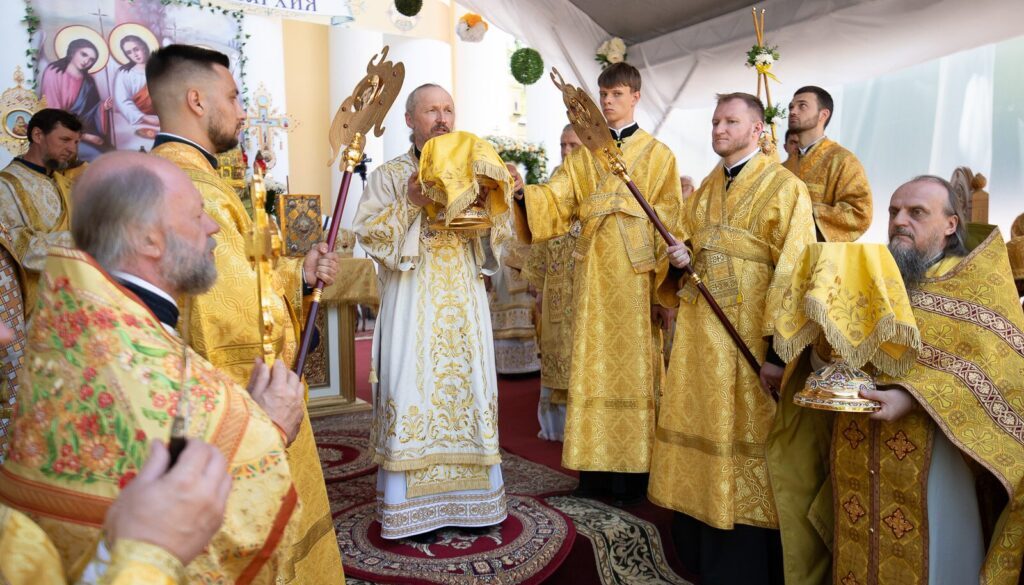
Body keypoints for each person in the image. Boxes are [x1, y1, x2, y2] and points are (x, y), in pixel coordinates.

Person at [0, 151, 308, 583]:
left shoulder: (76, 332)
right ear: (148, 239)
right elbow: (220, 532)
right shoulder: (147, 368)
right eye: (197, 214)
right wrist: (269, 430)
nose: (212, 226)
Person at [145, 45, 344, 581]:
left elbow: (250, 277)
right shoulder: (190, 188)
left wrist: (299, 276)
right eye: (233, 97)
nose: (241, 110)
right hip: (239, 408)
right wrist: (290, 331)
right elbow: (235, 320)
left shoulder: (185, 176)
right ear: (196, 101)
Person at [648, 92, 815, 585]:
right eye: (715, 121)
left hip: (749, 348)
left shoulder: (786, 188)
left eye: (731, 121)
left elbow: (795, 272)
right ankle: (698, 546)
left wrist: (777, 354)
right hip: (701, 342)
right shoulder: (704, 190)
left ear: (758, 130)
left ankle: (746, 566)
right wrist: (680, 259)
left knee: (750, 441)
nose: (719, 129)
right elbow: (685, 252)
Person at [510, 63, 683, 505]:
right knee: (592, 370)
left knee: (635, 374)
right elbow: (557, 198)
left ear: (636, 97)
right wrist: (523, 193)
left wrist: (663, 292)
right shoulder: (583, 156)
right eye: (603, 94)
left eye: (617, 93)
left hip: (635, 278)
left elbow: (669, 221)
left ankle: (635, 476)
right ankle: (593, 474)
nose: (607, 101)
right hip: (591, 280)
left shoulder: (659, 155)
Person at [353, 83, 510, 539]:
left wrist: (498, 198)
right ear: (410, 120)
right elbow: (369, 234)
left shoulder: (473, 168)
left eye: (448, 110)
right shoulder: (390, 175)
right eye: (431, 111)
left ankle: (473, 505)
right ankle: (412, 511)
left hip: (463, 303)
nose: (442, 119)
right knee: (412, 390)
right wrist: (411, 202)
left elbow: (495, 237)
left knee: (468, 390)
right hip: (413, 302)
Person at [522, 123, 583, 442]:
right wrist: (538, 283)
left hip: (585, 285)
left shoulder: (595, 183)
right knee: (556, 348)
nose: (566, 152)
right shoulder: (551, 186)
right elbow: (541, 235)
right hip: (557, 282)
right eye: (563, 145)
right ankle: (555, 426)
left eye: (574, 146)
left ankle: (583, 429)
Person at [0, 108, 83, 315]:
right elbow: (17, 248)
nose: (72, 149)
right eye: (65, 140)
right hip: (35, 308)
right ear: (38, 135)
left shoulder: (65, 182)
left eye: (76, 142)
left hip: (74, 299)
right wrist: (85, 242)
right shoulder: (6, 186)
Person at [784, 86, 872, 242]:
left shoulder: (843, 160)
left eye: (802, 106)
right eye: (791, 107)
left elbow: (860, 212)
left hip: (819, 253)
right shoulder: (784, 167)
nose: (793, 111)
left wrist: (805, 212)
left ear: (823, 115)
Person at [40, 38, 112, 159]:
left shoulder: (88, 82)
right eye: (83, 54)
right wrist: (84, 136)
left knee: (109, 152)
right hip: (59, 132)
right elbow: (52, 113)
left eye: (91, 60)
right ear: (73, 51)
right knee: (96, 156)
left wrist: (102, 108)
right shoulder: (54, 72)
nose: (86, 61)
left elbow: (90, 112)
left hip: (83, 130)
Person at [114, 34, 160, 129]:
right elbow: (123, 101)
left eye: (136, 49)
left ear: (144, 47)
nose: (134, 55)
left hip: (162, 118)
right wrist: (144, 117)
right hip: (138, 120)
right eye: (129, 52)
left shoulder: (161, 69)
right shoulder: (125, 74)